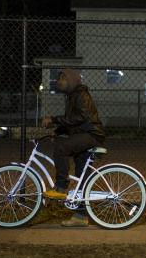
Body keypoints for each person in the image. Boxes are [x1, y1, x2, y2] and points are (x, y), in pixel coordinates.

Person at [41, 68, 105, 227]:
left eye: (62, 79)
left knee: (61, 148)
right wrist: (59, 130)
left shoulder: (80, 94)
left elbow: (80, 117)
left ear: (71, 80)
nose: (58, 82)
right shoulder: (73, 96)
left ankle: (61, 187)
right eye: (59, 79)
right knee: (82, 177)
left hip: (90, 134)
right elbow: (73, 121)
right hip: (83, 134)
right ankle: (81, 216)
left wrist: (54, 120)